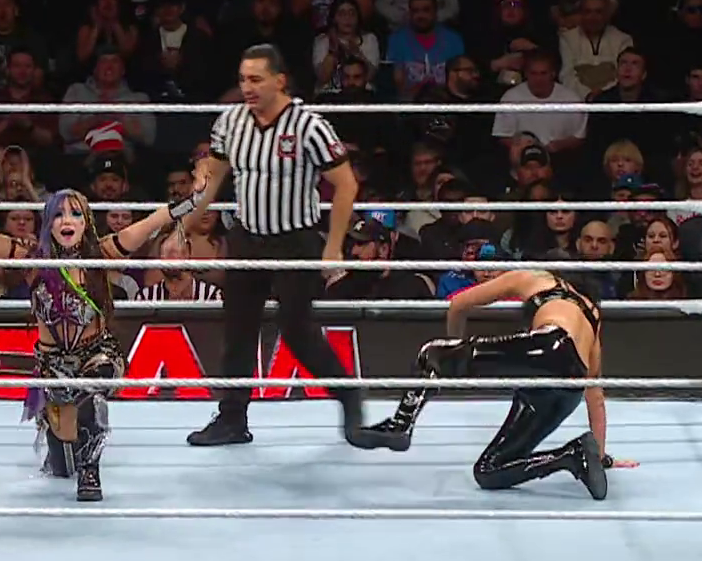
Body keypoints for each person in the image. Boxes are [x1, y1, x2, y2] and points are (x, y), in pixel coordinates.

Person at [187, 44, 364, 447]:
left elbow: (346, 184)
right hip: (247, 238)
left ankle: (349, 396)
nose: (247, 88)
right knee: (237, 329)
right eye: (242, 79)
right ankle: (232, 418)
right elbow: (213, 177)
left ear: (279, 81)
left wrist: (334, 246)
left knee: (297, 331)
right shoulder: (231, 122)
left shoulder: (309, 126)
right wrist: (186, 225)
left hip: (295, 241)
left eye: (256, 79)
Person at [0, 191, 198, 500]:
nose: (66, 220)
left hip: (96, 353)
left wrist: (191, 201)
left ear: (86, 222)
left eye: (75, 214)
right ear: (48, 223)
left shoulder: (101, 254)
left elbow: (150, 223)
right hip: (54, 364)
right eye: (58, 214)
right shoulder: (34, 261)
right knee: (62, 462)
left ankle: (90, 468)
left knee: (93, 387)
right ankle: (64, 446)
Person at [350, 268, 627, 497]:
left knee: (432, 353)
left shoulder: (536, 278)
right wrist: (600, 457)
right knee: (488, 470)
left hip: (549, 348)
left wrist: (453, 351)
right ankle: (571, 455)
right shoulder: (593, 317)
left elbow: (459, 304)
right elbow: (595, 394)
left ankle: (400, 424)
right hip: (566, 390)